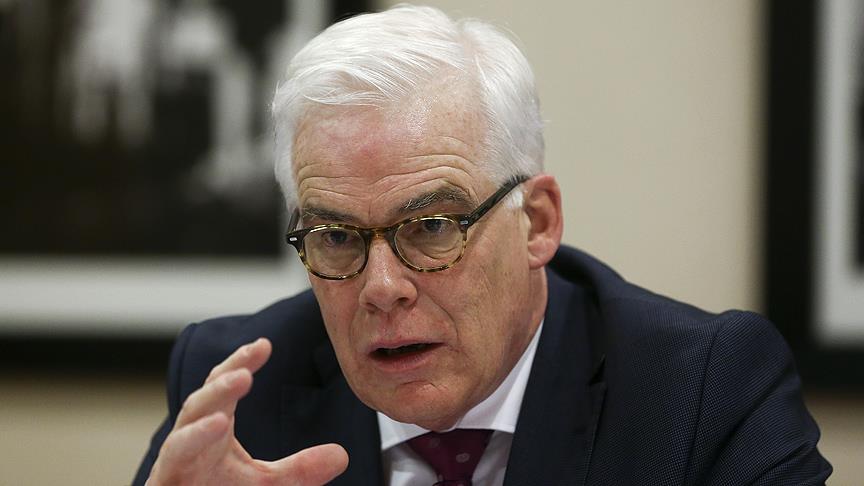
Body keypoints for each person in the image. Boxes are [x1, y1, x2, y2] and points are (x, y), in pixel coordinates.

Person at [134, 5, 831, 485]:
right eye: (338, 236)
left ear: (538, 223)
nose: (383, 287)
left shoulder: (704, 393)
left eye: (432, 226)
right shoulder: (235, 395)